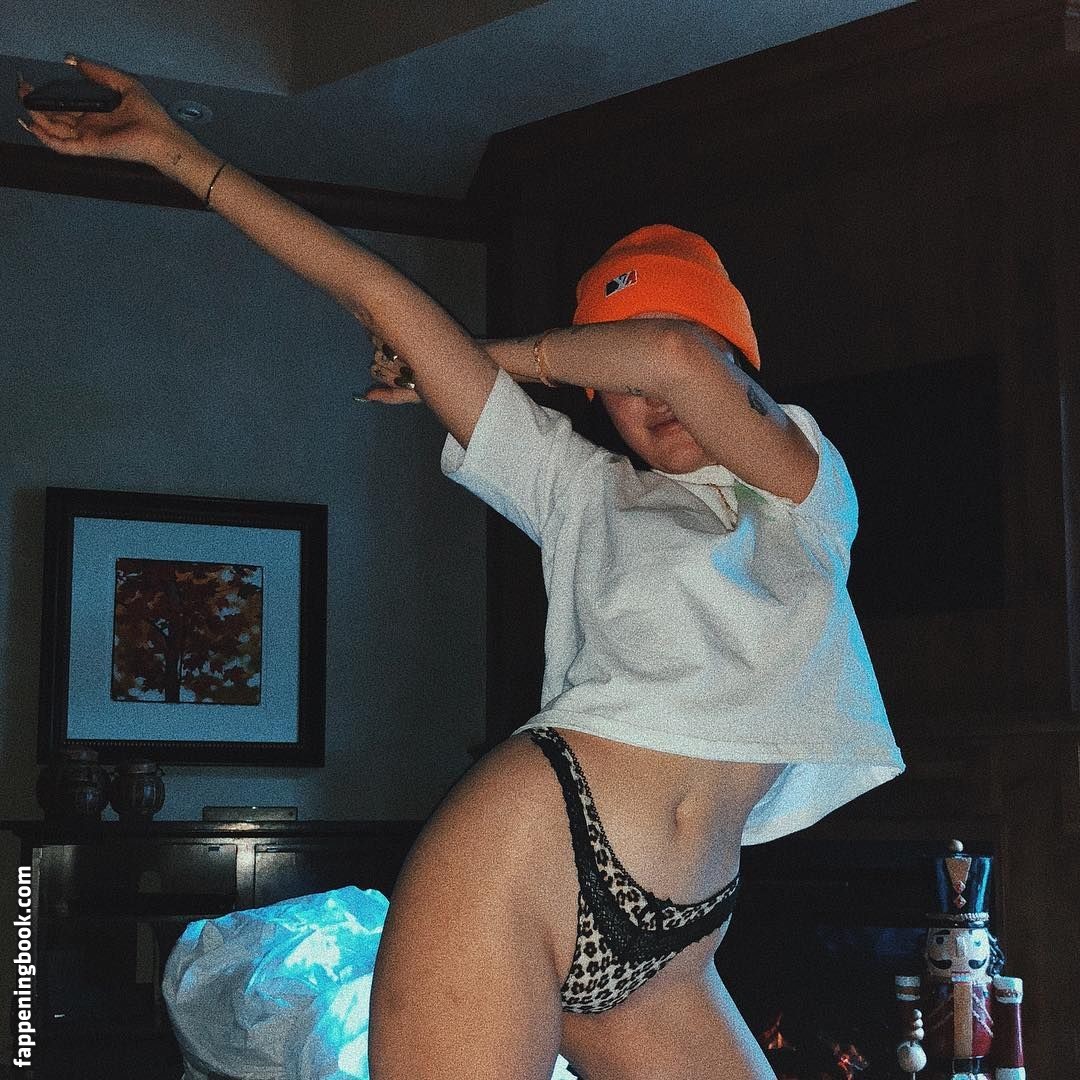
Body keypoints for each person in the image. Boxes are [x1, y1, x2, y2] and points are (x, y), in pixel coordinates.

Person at [19, 56, 905, 1080]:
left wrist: (501, 355)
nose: (650, 393)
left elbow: (670, 356)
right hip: (526, 859)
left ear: (739, 364)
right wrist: (175, 150)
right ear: (595, 395)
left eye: (676, 346)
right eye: (611, 373)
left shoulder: (802, 493)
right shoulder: (580, 490)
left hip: (679, 945)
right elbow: (372, 290)